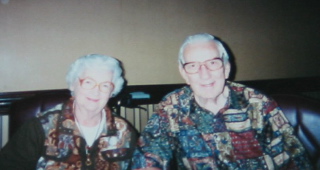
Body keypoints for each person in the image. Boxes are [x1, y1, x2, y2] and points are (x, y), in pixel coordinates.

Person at [131, 33, 312, 169]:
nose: (204, 74)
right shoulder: (172, 106)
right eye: (193, 66)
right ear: (184, 73)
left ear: (226, 68)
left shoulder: (257, 103)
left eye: (212, 63)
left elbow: (295, 159)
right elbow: (149, 154)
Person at [0, 54, 138, 169]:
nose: (96, 91)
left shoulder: (124, 131)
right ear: (72, 84)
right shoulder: (39, 127)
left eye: (105, 85)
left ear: (113, 91)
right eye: (88, 82)